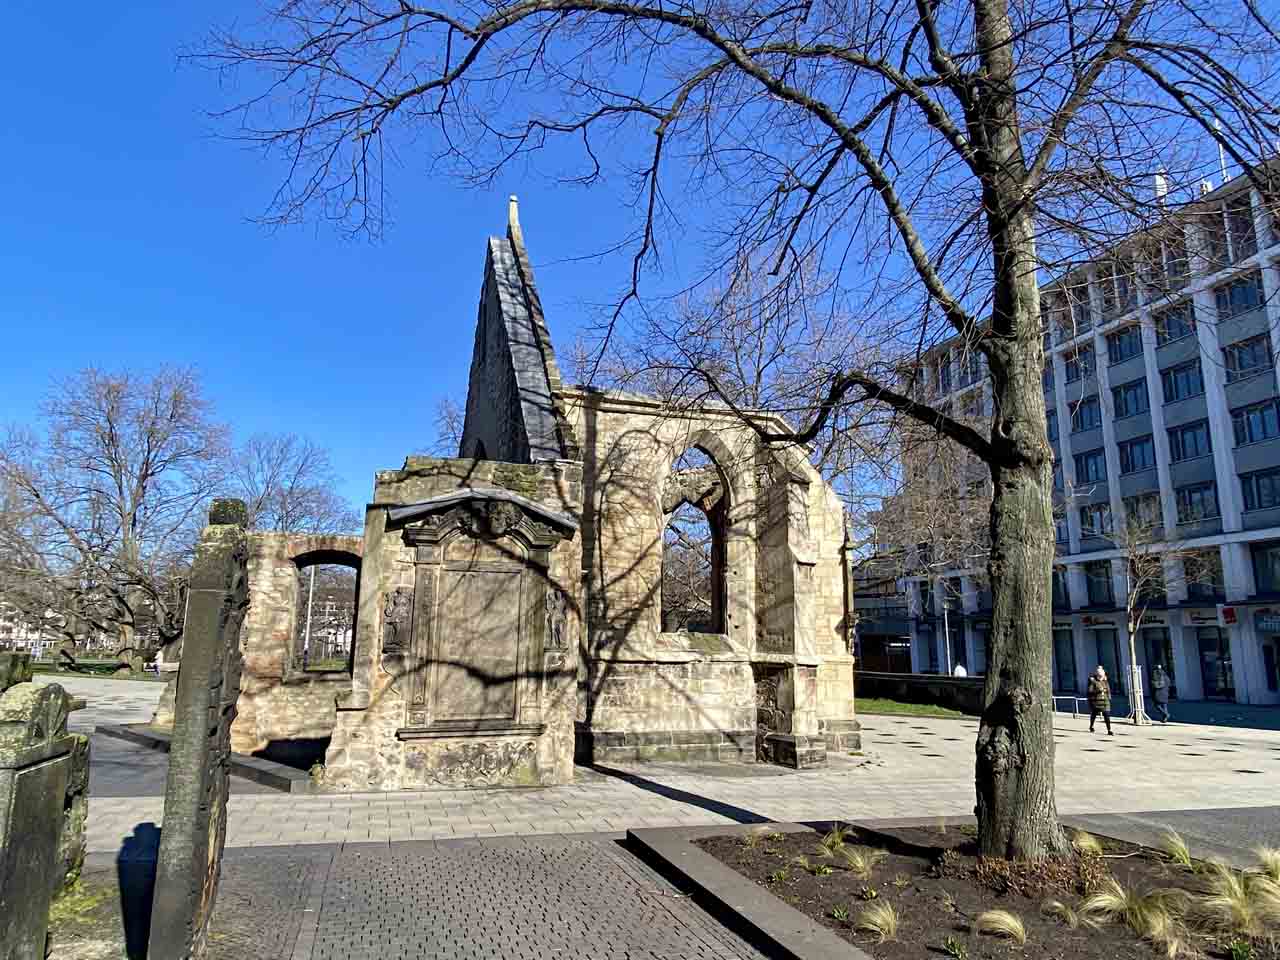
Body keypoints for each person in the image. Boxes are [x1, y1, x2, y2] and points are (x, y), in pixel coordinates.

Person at [1087, 665, 1113, 735]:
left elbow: (1108, 689)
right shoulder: (1093, 681)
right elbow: (1090, 691)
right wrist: (1098, 691)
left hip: (1105, 701)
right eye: (1100, 676)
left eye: (1102, 676)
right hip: (1096, 702)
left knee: (1107, 715)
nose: (1101, 678)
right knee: (1094, 714)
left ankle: (1109, 730)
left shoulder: (1105, 681)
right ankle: (1091, 726)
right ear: (1097, 675)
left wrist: (1109, 697)